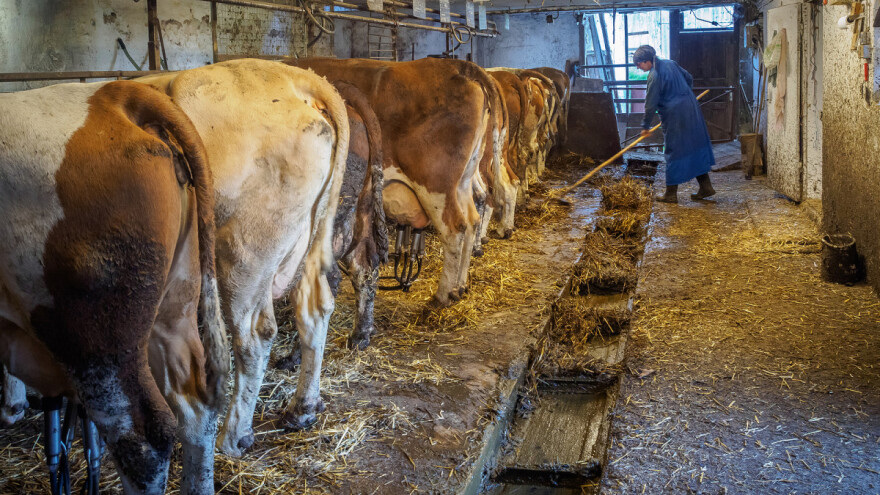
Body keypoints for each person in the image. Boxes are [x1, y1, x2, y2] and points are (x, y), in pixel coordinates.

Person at [635, 44, 716, 203]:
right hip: (691, 108)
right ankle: (706, 187)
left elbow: (650, 104)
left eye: (638, 64)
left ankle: (671, 194)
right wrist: (684, 96)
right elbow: (689, 78)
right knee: (694, 146)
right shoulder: (670, 63)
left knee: (673, 150)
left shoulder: (654, 75)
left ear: (646, 61)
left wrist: (645, 126)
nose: (638, 68)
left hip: (675, 115)